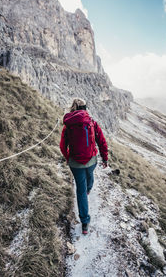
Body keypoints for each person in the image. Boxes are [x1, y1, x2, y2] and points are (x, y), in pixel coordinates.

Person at [60, 98, 108, 235]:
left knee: (80, 191)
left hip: (75, 163)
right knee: (90, 177)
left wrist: (67, 157)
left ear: (73, 108)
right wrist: (104, 158)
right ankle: (89, 188)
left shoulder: (67, 125)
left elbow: (63, 145)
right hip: (91, 160)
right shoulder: (92, 122)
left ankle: (85, 223)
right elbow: (102, 141)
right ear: (85, 108)